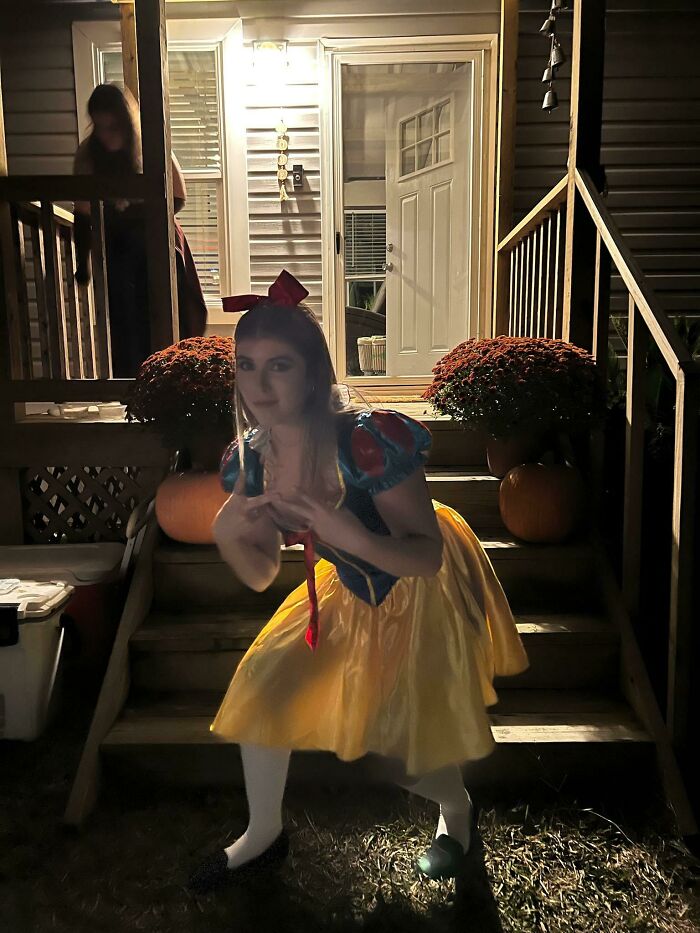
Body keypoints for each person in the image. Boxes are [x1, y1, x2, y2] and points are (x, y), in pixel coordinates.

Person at [187, 270, 529, 895]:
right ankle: (264, 832)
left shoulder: (367, 442)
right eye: (246, 365)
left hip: (415, 589)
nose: (258, 385)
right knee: (262, 692)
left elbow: (423, 556)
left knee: (401, 756)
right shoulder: (251, 460)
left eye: (280, 366)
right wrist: (229, 533)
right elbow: (263, 576)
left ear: (313, 372)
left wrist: (340, 531)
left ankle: (458, 815)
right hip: (348, 589)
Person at [72, 83, 207, 377]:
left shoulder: (150, 146)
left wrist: (138, 213)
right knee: (127, 323)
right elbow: (82, 213)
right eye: (100, 126)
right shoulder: (89, 155)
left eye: (113, 126)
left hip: (157, 238)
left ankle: (175, 380)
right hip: (119, 248)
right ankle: (134, 385)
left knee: (176, 312)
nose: (106, 135)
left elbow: (179, 196)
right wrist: (82, 263)